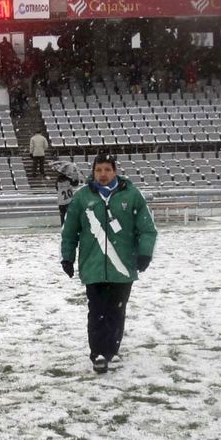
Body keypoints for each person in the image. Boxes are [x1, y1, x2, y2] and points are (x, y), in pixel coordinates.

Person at [60, 153, 157, 374]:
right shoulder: (83, 198)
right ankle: (98, 353)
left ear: (115, 171)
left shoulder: (131, 195)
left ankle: (110, 349)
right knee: (96, 311)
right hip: (92, 266)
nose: (103, 174)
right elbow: (69, 231)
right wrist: (67, 256)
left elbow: (147, 229)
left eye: (107, 170)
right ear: (93, 172)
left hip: (122, 267)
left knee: (116, 312)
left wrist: (144, 254)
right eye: (98, 170)